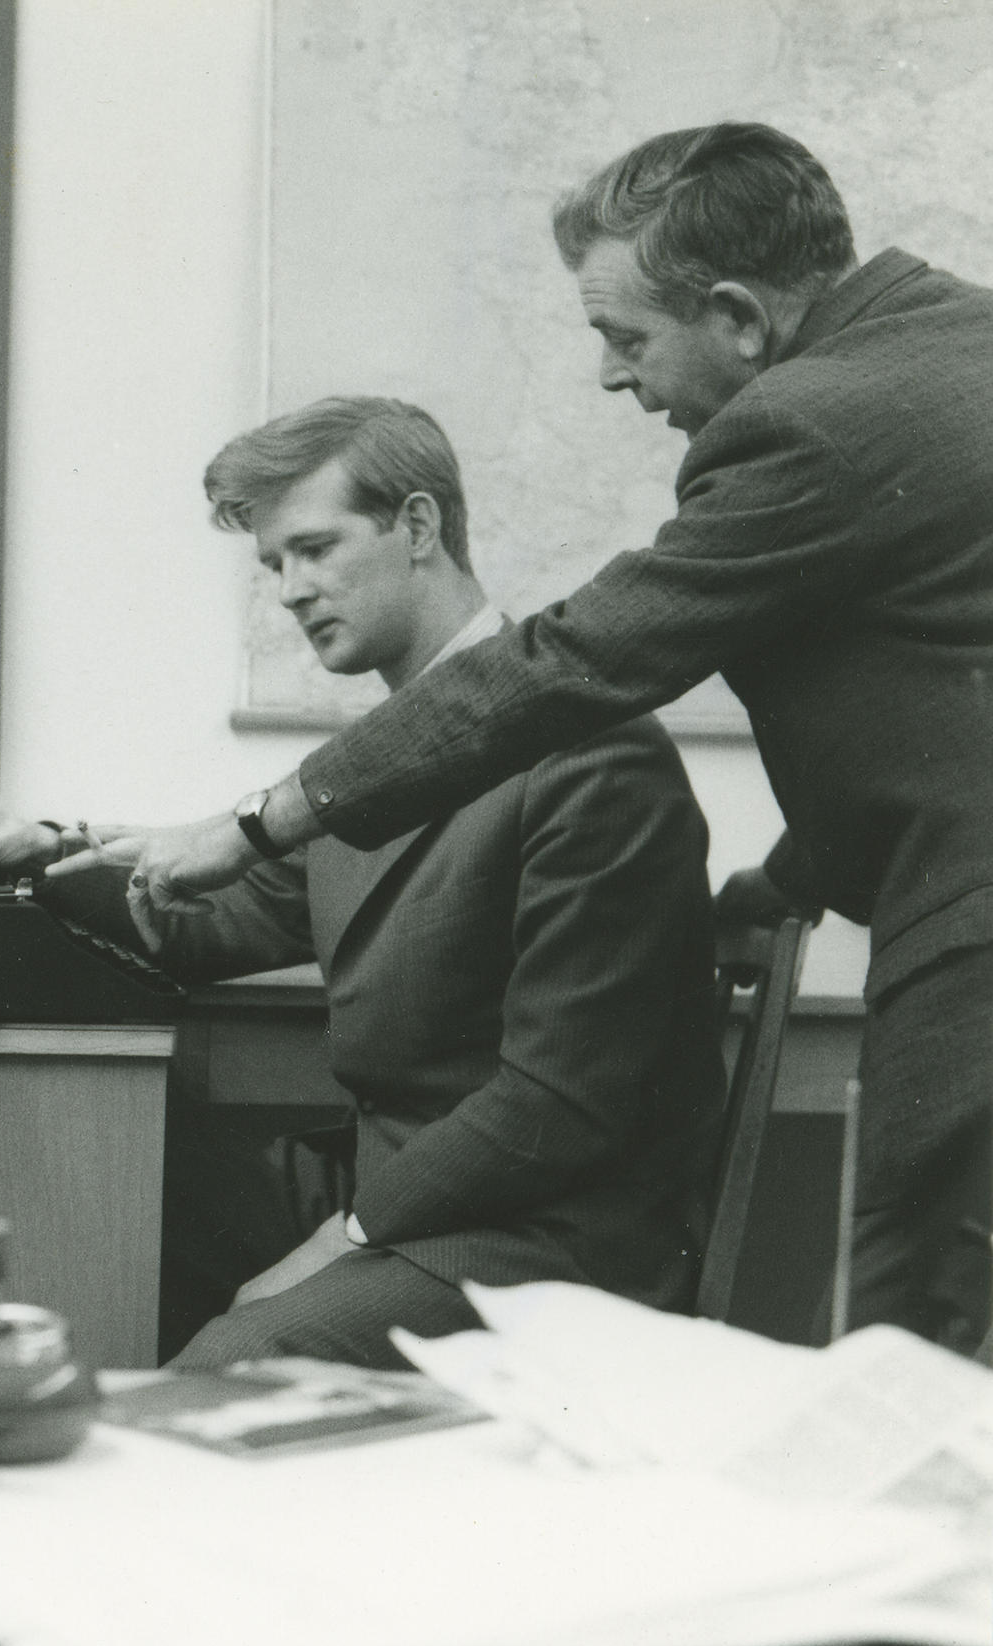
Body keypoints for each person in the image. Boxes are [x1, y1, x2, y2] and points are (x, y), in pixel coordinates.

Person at [101, 125, 993, 1354]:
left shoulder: (810, 420)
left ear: (736, 315)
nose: (612, 381)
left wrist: (260, 814)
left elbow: (580, 660)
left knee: (928, 1346)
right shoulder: (949, 345)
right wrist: (785, 879)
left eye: (625, 339)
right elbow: (936, 705)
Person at [0, 399, 725, 1369]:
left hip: (538, 1239)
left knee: (224, 1369)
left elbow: (553, 1105)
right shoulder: (369, 765)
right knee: (90, 1195)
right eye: (274, 564)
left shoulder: (588, 756)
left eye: (313, 549)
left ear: (416, 527)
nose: (289, 589)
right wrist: (29, 845)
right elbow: (201, 925)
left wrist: (344, 1238)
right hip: (399, 1191)